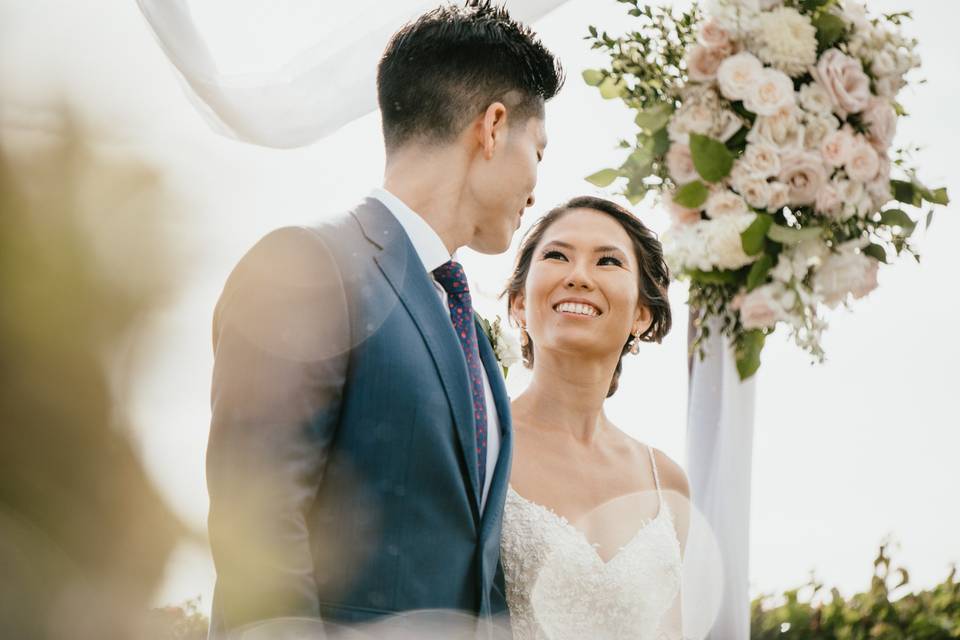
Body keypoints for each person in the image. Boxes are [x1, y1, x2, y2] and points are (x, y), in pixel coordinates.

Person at [204, 2, 563, 638]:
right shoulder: (308, 264)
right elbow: (258, 531)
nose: (537, 189)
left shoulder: (468, 332)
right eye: (539, 150)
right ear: (493, 127)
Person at [500, 196, 691, 639]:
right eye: (557, 255)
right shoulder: (479, 444)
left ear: (642, 315)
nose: (578, 276)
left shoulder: (667, 482)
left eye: (607, 261)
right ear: (519, 305)